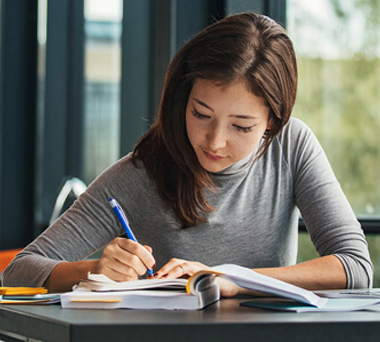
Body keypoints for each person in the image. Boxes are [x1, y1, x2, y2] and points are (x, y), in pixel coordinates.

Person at [3, 12, 373, 296]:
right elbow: (18, 271)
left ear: (272, 123)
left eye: (241, 127)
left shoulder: (291, 146)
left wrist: (231, 278)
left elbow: (355, 266)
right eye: (200, 114)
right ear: (183, 99)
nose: (214, 142)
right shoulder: (142, 172)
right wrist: (95, 270)